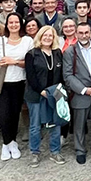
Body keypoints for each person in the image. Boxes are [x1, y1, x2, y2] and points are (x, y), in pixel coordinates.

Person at [0, 12, 34, 162]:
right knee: (3, 114)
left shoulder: (27, 41)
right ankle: (6, 143)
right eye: (11, 22)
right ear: (7, 25)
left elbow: (30, 62)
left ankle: (12, 142)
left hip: (19, 82)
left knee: (15, 114)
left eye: (16, 22)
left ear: (20, 24)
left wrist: (14, 61)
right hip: (2, 82)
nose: (13, 25)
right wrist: (0, 63)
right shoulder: (1, 41)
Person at [63, 22, 91, 165]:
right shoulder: (70, 51)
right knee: (79, 124)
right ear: (76, 34)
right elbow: (68, 75)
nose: (83, 35)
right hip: (80, 93)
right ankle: (80, 150)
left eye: (86, 32)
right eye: (80, 33)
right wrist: (83, 90)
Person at [24, 26, 65, 167]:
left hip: (53, 95)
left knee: (55, 124)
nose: (47, 38)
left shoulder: (58, 53)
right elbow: (30, 76)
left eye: (51, 35)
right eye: (45, 35)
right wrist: (41, 91)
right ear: (40, 37)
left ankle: (55, 152)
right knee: (35, 126)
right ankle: (35, 152)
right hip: (36, 95)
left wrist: (59, 91)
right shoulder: (31, 54)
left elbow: (61, 75)